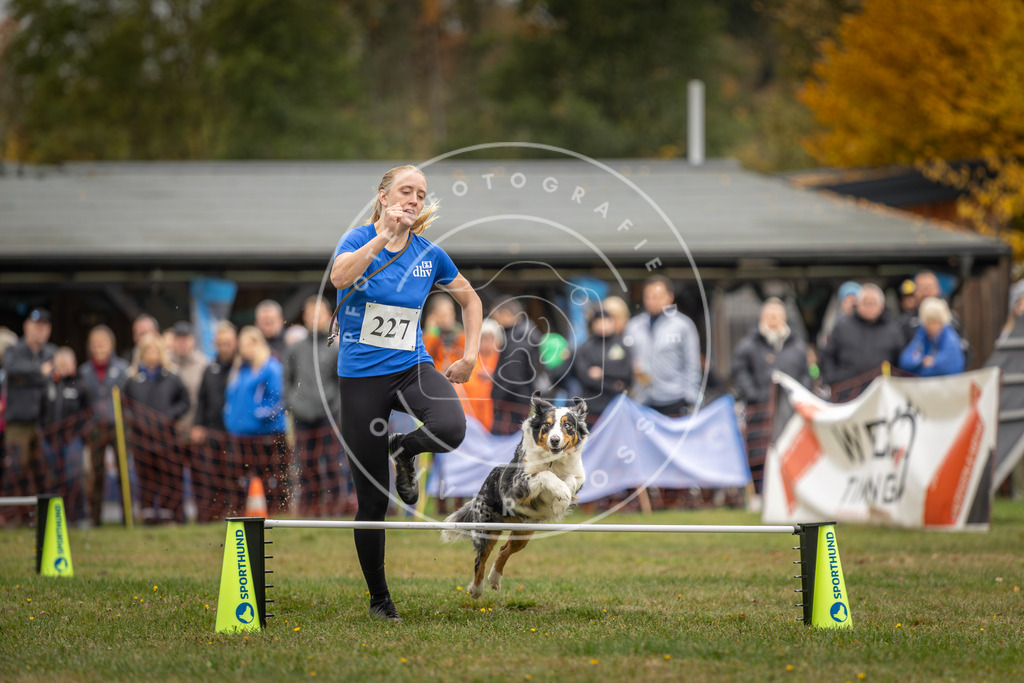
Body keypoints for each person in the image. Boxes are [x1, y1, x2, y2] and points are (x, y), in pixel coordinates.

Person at [329, 164, 481, 622]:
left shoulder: (430, 254)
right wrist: (382, 237)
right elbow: (339, 278)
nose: (414, 200)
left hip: (410, 366)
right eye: (405, 192)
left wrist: (470, 355)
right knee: (374, 500)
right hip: (361, 378)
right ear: (383, 197)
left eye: (421, 194)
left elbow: (470, 299)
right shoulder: (357, 239)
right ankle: (379, 599)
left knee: (451, 428)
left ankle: (404, 449)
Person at [283, 295, 342, 517]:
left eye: (320, 314)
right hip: (302, 417)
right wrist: (293, 404)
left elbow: (341, 382)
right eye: (311, 314)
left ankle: (336, 507)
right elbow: (287, 380)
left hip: (329, 416)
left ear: (328, 316)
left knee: (333, 462)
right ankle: (309, 507)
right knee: (306, 463)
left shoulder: (335, 348)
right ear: (305, 317)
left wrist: (335, 408)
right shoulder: (295, 349)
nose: (315, 318)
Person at [122, 333, 191, 523]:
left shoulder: (172, 376)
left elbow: (185, 402)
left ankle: (172, 515)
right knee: (145, 477)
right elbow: (123, 406)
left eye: (155, 350)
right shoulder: (131, 378)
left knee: (170, 476)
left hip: (167, 438)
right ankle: (148, 515)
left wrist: (170, 416)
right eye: (148, 350)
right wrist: (137, 420)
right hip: (141, 439)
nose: (152, 354)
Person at [223, 326, 288, 514]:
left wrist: (261, 414)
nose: (247, 348)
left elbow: (278, 398)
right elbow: (231, 399)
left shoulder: (271, 367)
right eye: (243, 344)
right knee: (242, 477)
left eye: (251, 344)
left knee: (271, 476)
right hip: (241, 434)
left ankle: (278, 511)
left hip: (268, 433)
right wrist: (229, 417)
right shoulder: (239, 370)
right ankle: (243, 512)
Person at [1, 308, 57, 509]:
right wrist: (40, 372)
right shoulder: (13, 351)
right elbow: (12, 369)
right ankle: (8, 515)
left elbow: (58, 374)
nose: (40, 330)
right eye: (36, 326)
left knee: (44, 473)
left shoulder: (52, 352)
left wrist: (29, 378)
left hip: (44, 423)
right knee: (15, 470)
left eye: (44, 326)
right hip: (18, 423)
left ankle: (40, 515)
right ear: (26, 327)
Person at [623, 275, 701, 415]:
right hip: (642, 399)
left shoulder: (683, 325)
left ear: (670, 297)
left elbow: (692, 363)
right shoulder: (634, 326)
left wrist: (691, 397)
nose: (652, 301)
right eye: (648, 297)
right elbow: (626, 358)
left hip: (674, 398)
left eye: (657, 296)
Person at [78, 325, 130, 526]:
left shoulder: (123, 369)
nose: (99, 347)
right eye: (95, 343)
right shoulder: (84, 372)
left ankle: (127, 517)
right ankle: (95, 517)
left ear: (111, 345)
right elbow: (81, 402)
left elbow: (129, 399)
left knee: (123, 472)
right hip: (95, 429)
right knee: (96, 473)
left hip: (118, 427)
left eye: (103, 343)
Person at [190, 321, 237, 521]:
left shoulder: (241, 367)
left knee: (234, 474)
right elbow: (202, 400)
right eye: (221, 343)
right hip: (212, 430)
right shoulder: (210, 369)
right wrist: (198, 425)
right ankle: (212, 514)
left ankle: (234, 512)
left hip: (235, 432)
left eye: (228, 343)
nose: (224, 347)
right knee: (211, 474)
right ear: (215, 344)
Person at [820, 284, 904, 393]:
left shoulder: (893, 331)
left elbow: (900, 361)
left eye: (872, 303)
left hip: (881, 393)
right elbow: (827, 356)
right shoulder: (842, 327)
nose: (869, 307)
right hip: (846, 392)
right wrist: (833, 379)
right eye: (865, 302)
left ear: (881, 307)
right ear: (857, 305)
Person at [39, 347, 91, 518]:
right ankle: (54, 516)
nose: (62, 367)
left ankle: (77, 515)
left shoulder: (81, 385)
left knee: (73, 477)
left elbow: (89, 413)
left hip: (72, 440)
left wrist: (79, 434)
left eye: (66, 364)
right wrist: (43, 432)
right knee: (52, 478)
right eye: (59, 364)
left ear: (73, 365)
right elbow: (40, 411)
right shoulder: (47, 384)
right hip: (49, 440)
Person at [730, 298, 811, 406]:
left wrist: (800, 394)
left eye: (777, 314)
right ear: (762, 317)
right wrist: (754, 395)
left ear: (784, 317)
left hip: (793, 406)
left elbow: (806, 374)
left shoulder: (797, 346)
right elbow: (740, 372)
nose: (774, 318)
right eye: (770, 315)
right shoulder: (749, 345)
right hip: (759, 408)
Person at [489, 298, 543, 434]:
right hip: (521, 398)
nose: (497, 324)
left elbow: (511, 375)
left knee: (509, 440)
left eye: (496, 318)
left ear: (506, 314)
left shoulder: (517, 339)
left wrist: (496, 398)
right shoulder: (525, 333)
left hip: (512, 402)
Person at [572, 308, 633, 417]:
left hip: (618, 405)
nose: (603, 325)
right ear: (593, 324)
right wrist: (614, 385)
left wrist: (602, 372)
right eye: (599, 321)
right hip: (593, 407)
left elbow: (626, 372)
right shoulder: (584, 348)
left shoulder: (622, 345)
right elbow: (586, 378)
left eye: (606, 321)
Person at [898, 297, 965, 377]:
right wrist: (922, 361)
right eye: (929, 322)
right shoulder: (921, 335)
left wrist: (924, 368)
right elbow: (905, 361)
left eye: (936, 321)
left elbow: (950, 367)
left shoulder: (951, 338)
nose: (932, 326)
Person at [167, 321, 209, 434]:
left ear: (193, 340)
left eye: (186, 338)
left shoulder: (203, 364)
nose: (183, 343)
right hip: (169, 428)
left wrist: (200, 425)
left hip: (195, 429)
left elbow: (206, 399)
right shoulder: (166, 363)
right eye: (179, 339)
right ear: (173, 341)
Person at [422, 292, 465, 373]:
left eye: (451, 313)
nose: (448, 318)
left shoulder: (459, 335)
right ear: (433, 316)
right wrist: (431, 331)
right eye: (443, 314)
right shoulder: (428, 337)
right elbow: (425, 360)